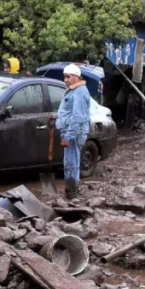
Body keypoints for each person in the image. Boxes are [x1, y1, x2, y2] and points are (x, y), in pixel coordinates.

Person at [55, 63, 91, 200]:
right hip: (71, 131)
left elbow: (78, 117)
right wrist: (56, 117)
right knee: (71, 162)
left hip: (73, 134)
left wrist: (68, 137)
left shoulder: (79, 92)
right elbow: (69, 111)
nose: (65, 80)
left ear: (76, 77)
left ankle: (71, 193)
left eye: (68, 77)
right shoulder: (75, 90)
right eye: (64, 77)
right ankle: (72, 190)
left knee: (70, 163)